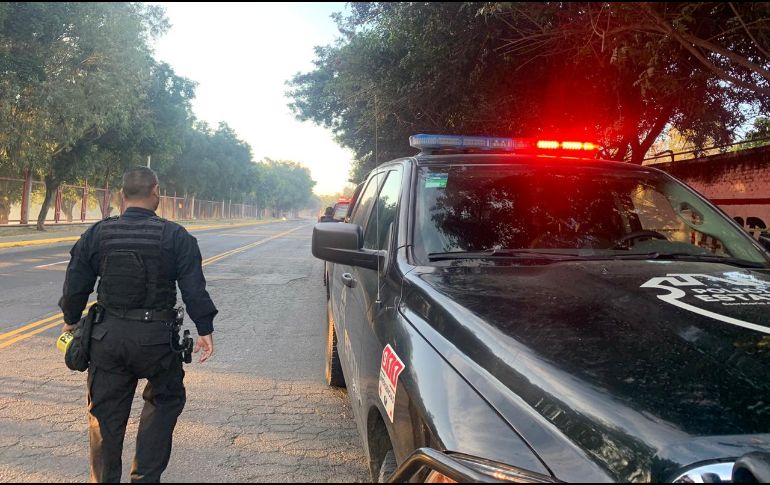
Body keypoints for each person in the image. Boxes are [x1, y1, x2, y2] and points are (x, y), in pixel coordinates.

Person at [58, 166, 218, 483]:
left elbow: (76, 284)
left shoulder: (98, 233)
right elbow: (194, 289)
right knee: (164, 402)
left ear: (122, 195)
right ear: (156, 191)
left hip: (107, 336)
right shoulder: (175, 236)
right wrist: (205, 329)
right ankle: (145, 478)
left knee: (104, 417)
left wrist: (70, 321)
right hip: (157, 340)